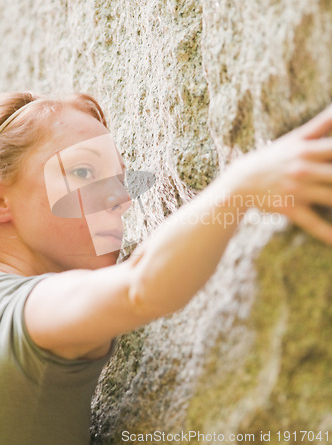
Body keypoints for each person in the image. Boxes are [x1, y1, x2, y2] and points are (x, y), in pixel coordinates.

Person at [1, 91, 332, 444]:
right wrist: (243, 185)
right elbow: (140, 287)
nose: (122, 199)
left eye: (119, 180)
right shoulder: (21, 310)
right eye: (83, 171)